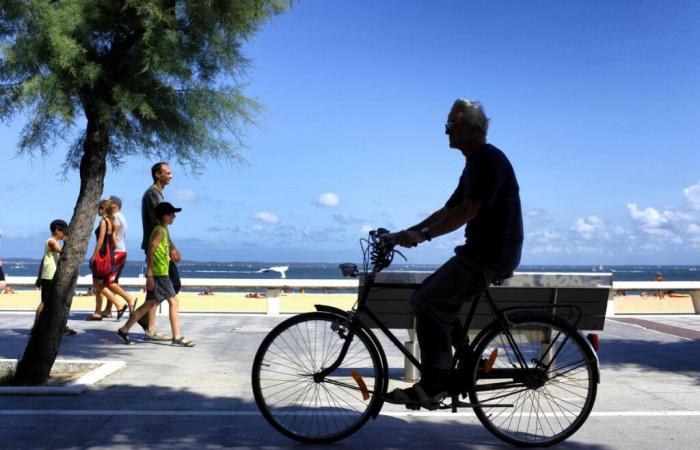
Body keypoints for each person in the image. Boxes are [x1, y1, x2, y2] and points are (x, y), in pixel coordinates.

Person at [384, 99, 523, 408]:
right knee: (435, 298)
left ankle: (434, 384)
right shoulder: (474, 163)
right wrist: (404, 233)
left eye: (452, 125)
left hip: (491, 254)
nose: (446, 131)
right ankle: (467, 364)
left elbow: (470, 209)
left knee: (427, 300)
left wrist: (425, 235)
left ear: (472, 129)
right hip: (481, 252)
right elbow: (448, 209)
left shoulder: (491, 160)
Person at [117, 202, 193, 347]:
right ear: (165, 216)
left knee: (149, 304)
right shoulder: (160, 231)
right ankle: (177, 336)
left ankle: (124, 329)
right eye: (172, 214)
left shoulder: (162, 229)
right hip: (159, 273)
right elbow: (151, 251)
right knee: (174, 302)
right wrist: (150, 274)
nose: (174, 217)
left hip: (160, 272)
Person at [137, 162, 181, 341]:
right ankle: (146, 321)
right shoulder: (152, 195)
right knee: (172, 284)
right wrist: (171, 247)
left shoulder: (157, 194)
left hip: (159, 247)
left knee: (158, 288)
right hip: (157, 248)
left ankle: (148, 323)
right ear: (157, 174)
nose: (170, 176)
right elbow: (158, 224)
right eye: (167, 173)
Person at [87, 199, 135, 321]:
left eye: (98, 208)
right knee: (100, 284)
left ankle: (119, 304)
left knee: (98, 284)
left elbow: (100, 241)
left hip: (102, 255)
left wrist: (94, 255)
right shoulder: (113, 222)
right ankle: (100, 311)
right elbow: (114, 241)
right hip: (109, 254)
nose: (96, 211)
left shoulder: (103, 222)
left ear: (102, 208)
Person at [32, 219, 77, 335]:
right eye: (64, 232)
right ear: (57, 230)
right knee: (45, 302)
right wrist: (68, 241)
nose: (65, 234)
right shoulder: (52, 241)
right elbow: (63, 252)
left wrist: (38, 277)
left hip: (50, 275)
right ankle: (36, 327)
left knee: (54, 302)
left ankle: (61, 326)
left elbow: (44, 260)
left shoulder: (51, 242)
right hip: (49, 276)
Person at [99, 195, 136, 317]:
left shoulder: (115, 217)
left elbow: (112, 236)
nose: (108, 204)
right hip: (121, 251)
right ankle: (108, 310)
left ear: (116, 205)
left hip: (116, 252)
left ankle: (128, 298)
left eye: (111, 203)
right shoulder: (121, 217)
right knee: (113, 281)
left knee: (106, 281)